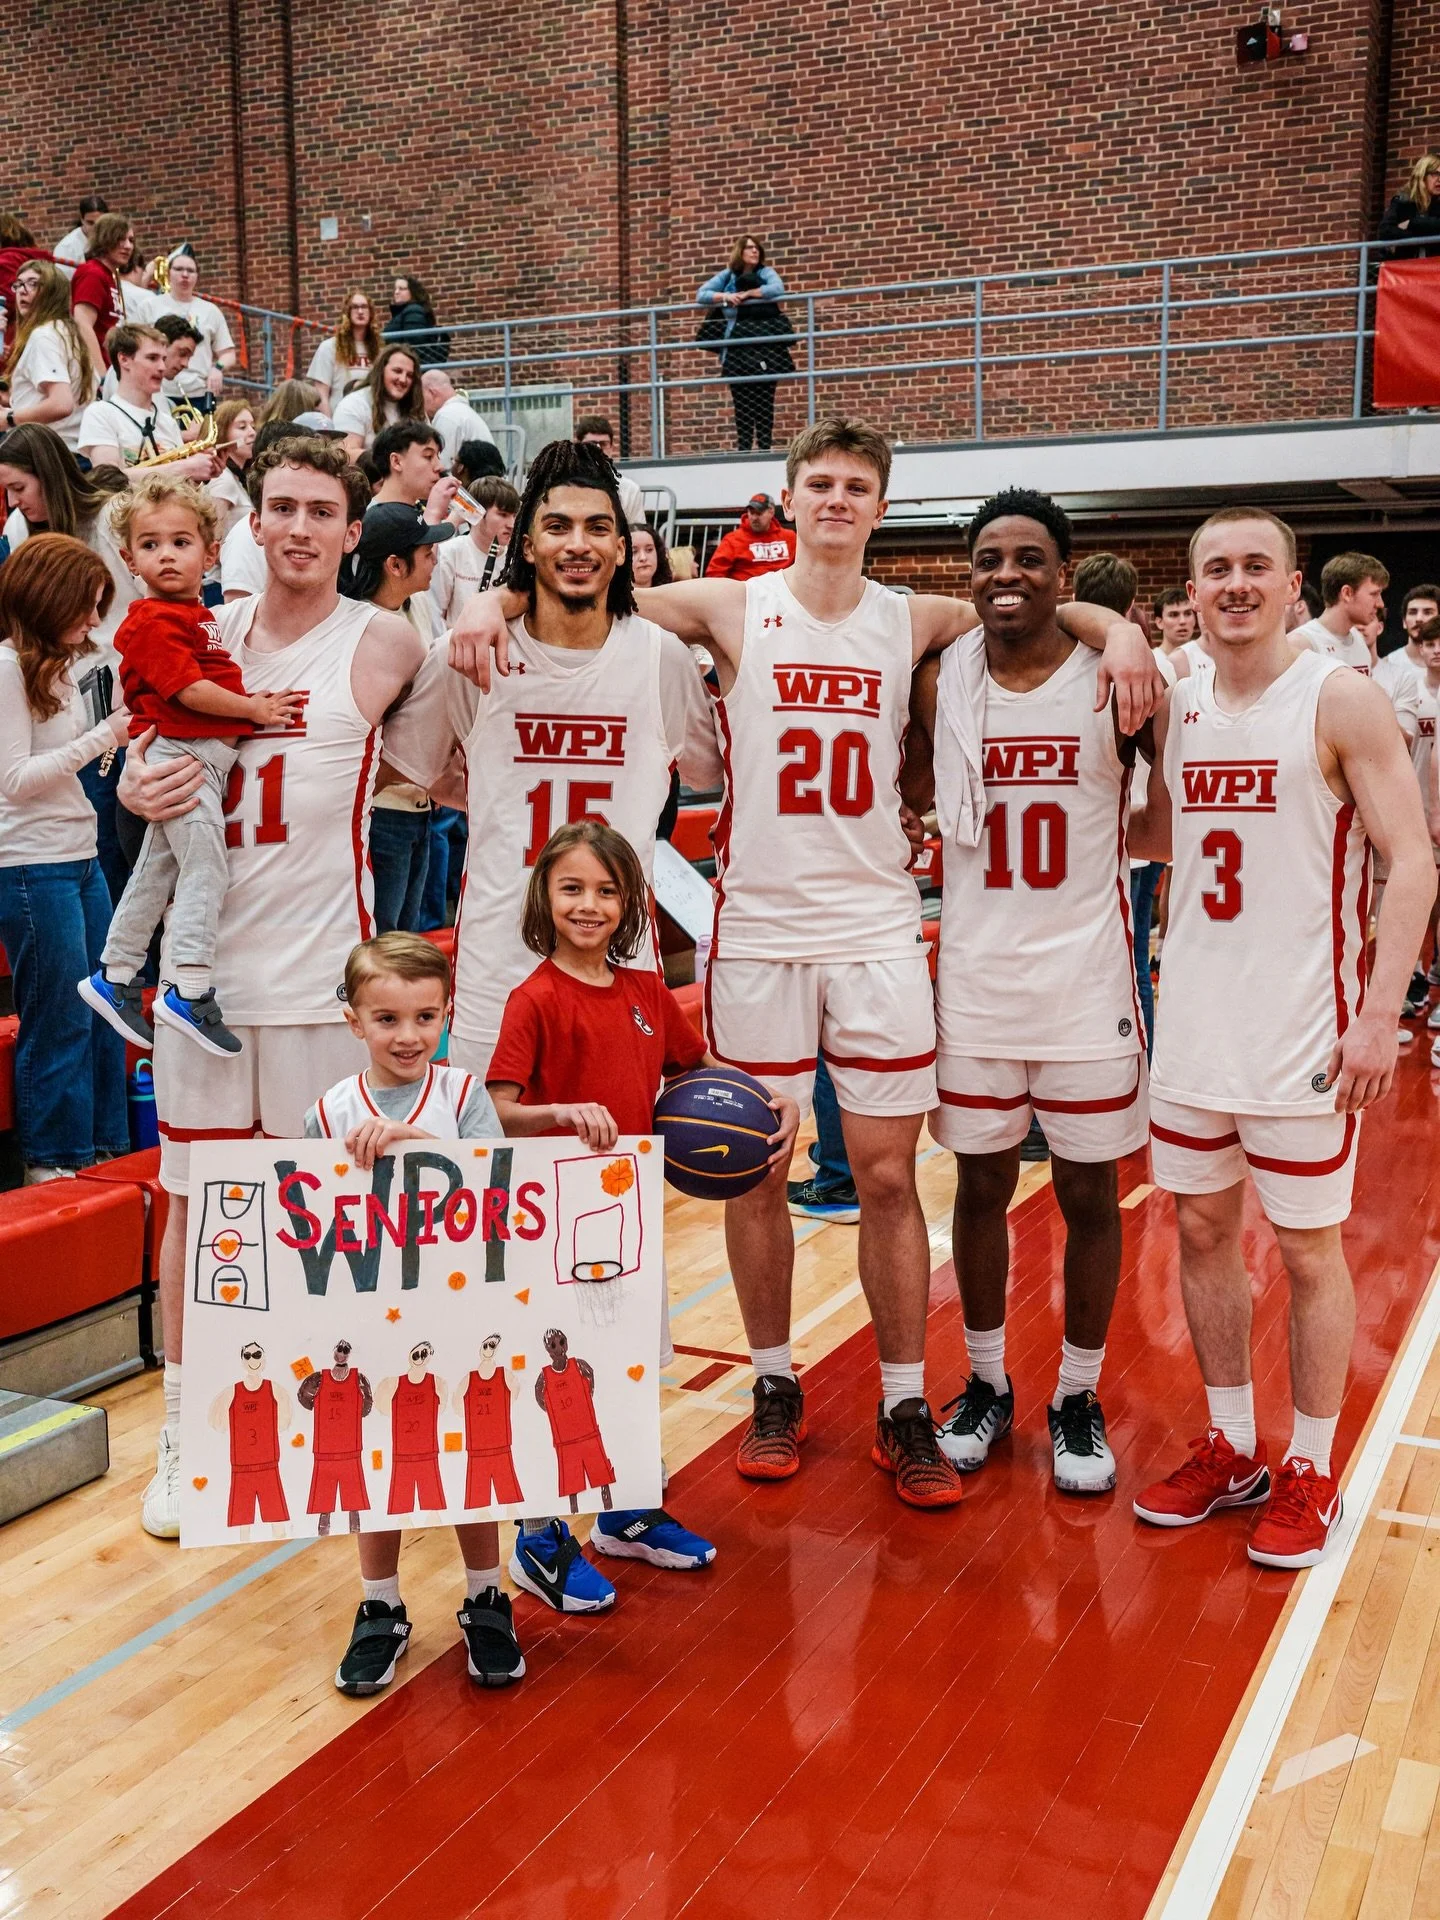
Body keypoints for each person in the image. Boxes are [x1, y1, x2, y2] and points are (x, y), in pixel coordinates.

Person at [447, 416, 1164, 1505]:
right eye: (818, 483)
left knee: (886, 1173)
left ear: (880, 506)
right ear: (787, 499)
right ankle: (774, 1384)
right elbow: (580, 590)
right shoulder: (733, 606)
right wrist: (482, 597)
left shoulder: (912, 616)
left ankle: (903, 1400)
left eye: (856, 486)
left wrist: (1119, 632)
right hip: (761, 931)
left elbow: (1027, 603)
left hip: (876, 926)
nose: (836, 499)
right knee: (754, 1169)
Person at [116, 435, 428, 1539]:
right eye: (280, 506)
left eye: (320, 511)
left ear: (356, 531)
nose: (297, 527)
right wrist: (135, 783)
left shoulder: (385, 639)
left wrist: (481, 616)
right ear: (254, 523)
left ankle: (323, 1419)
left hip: (316, 981)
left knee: (327, 1216)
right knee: (194, 1214)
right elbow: (134, 752)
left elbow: (443, 751)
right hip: (203, 986)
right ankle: (186, 1427)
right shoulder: (199, 628)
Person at [1131, 507, 1435, 1568]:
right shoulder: (1180, 704)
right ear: (1195, 587)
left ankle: (1311, 1462)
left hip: (1306, 1031)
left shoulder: (1339, 697)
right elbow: (1163, 835)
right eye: (1217, 569)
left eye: (1257, 565)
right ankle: (1230, 1443)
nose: (1236, 584)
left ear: (1295, 585)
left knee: (1308, 1252)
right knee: (1203, 1238)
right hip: (1195, 1031)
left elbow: (1415, 860)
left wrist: (1380, 1016)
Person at [902, 506, 1149, 1497]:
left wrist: (1119, 629)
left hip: (1086, 980)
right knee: (979, 1188)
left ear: (1065, 574)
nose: (1007, 575)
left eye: (1029, 560)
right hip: (975, 980)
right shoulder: (940, 683)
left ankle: (1077, 1394)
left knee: (1090, 1193)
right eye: (989, 560)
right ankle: (990, 1381)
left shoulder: (1117, 679)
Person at [488, 822, 744, 1604]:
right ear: (545, 898)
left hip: (629, 1219)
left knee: (628, 1374)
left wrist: (762, 1103)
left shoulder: (643, 993)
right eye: (572, 888)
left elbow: (696, 1067)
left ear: (632, 902)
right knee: (555, 1377)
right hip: (549, 1227)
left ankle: (625, 1514)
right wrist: (560, 1113)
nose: (589, 905)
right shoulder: (532, 999)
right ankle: (537, 1538)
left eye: (606, 891)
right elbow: (497, 1109)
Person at [300, 931, 523, 1692]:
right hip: (367, 1320)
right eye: (388, 1019)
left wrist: (415, 1142)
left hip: (459, 1315)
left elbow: (499, 1192)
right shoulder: (327, 1110)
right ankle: (380, 1606)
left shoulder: (461, 1097)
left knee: (470, 1459)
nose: (409, 1035)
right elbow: (305, 1226)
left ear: (445, 1013)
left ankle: (487, 1594)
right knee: (378, 1467)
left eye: (425, 1017)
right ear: (353, 1021)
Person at [79, 474, 300, 1057]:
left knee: (156, 873)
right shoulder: (151, 620)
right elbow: (190, 690)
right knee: (207, 867)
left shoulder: (195, 613)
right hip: (185, 756)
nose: (166, 555)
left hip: (200, 756)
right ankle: (190, 986)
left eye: (180, 542)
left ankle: (116, 973)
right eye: (150, 545)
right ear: (129, 559)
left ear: (210, 551)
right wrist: (254, 709)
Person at [0, 534, 130, 1181]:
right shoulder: (5, 667)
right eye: (85, 605)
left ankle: (105, 1148)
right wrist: (108, 735)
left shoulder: (62, 665)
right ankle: (53, 1161)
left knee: (103, 1008)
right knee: (60, 1018)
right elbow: (16, 779)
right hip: (30, 866)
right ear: (50, 600)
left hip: (78, 855)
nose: (92, 620)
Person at [0, 425, 136, 900]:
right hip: (60, 692)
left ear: (48, 475)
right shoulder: (20, 527)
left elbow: (130, 608)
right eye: (7, 491)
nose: (14, 501)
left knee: (118, 833)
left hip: (116, 687)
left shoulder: (105, 516)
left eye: (20, 487)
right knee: (95, 824)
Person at [344, 502, 455, 932]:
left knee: (406, 935)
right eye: (426, 551)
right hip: (379, 807)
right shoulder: (358, 629)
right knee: (379, 937)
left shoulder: (418, 608)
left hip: (419, 801)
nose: (435, 557)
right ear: (394, 564)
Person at [697, 238, 792, 453]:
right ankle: (744, 449)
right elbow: (701, 294)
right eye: (749, 247)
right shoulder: (728, 276)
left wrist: (750, 294)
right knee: (742, 404)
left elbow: (777, 288)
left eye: (756, 247)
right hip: (737, 351)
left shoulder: (765, 273)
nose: (754, 251)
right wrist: (726, 296)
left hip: (765, 350)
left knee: (765, 402)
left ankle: (765, 448)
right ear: (740, 251)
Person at [3, 260, 94, 449]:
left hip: (44, 451)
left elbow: (61, 404)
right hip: (70, 447)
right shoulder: (68, 332)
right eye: (18, 284)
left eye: (33, 283)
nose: (22, 290)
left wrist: (9, 418)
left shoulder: (43, 336)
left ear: (53, 292)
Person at [76, 324, 188, 471]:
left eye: (163, 359)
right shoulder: (100, 413)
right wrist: (183, 468)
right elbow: (109, 480)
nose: (162, 367)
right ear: (124, 360)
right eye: (152, 358)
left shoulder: (168, 423)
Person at [428, 475, 519, 626]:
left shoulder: (517, 559)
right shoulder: (450, 552)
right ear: (478, 512)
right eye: (503, 515)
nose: (511, 524)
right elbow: (436, 613)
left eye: (514, 515)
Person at [151, 246, 236, 399]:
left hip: (199, 392)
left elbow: (228, 352)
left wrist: (217, 368)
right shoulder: (150, 306)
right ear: (168, 272)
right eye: (178, 269)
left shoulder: (210, 310)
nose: (185, 275)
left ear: (197, 276)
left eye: (190, 271)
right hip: (160, 390)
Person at [1290, 552, 1388, 674]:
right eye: (1374, 594)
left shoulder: (1358, 639)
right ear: (1347, 593)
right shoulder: (1301, 643)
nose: (1380, 604)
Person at [70, 215, 134, 374]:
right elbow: (82, 323)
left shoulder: (109, 276)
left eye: (131, 240)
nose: (127, 246)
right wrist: (101, 374)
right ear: (105, 239)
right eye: (120, 239)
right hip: (97, 373)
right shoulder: (92, 273)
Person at [333, 343, 425, 453]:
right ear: (381, 370)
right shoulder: (354, 404)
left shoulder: (416, 408)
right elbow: (347, 453)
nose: (403, 379)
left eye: (410, 375)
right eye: (397, 371)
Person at [307, 288, 382, 414]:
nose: (360, 311)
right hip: (339, 416)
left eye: (364, 307)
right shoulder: (329, 347)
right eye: (355, 307)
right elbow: (321, 395)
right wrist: (329, 426)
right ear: (347, 312)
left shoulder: (378, 350)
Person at [370, 419, 454, 520]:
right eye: (428, 456)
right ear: (396, 461)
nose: (440, 467)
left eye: (438, 457)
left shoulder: (415, 509)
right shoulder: (376, 519)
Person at [705, 493, 797, 579]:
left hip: (782, 592)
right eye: (751, 513)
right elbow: (714, 573)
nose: (754, 518)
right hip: (746, 593)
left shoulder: (790, 537)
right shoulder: (732, 539)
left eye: (759, 513)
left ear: (771, 512)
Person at [574, 416, 645, 525]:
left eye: (603, 444)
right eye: (591, 444)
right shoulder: (562, 486)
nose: (598, 449)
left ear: (611, 447)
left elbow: (636, 532)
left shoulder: (629, 490)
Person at [420, 367, 494, 472]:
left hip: (473, 485)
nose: (421, 405)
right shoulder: (462, 411)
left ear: (432, 392)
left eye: (421, 397)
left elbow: (441, 466)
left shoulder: (447, 416)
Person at [208, 399, 257, 540]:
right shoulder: (223, 479)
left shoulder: (236, 476)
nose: (252, 432)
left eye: (253, 426)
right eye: (242, 427)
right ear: (223, 433)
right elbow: (213, 540)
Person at [1379, 154, 1440, 259]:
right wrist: (1425, 230)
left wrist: (1411, 223)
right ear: (1422, 175)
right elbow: (1385, 232)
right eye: (1435, 174)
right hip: (1406, 270)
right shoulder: (1402, 201)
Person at [384, 273, 448, 366]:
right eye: (395, 289)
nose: (396, 292)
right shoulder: (405, 312)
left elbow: (413, 345)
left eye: (402, 289)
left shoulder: (413, 311)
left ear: (412, 292)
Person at [53, 195, 109, 277]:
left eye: (100, 223)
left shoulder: (112, 239)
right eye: (90, 223)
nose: (95, 228)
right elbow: (65, 283)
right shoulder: (66, 247)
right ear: (82, 220)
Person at [1153, 586, 1198, 659]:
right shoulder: (1152, 661)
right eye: (1174, 615)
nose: (1182, 621)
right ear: (1159, 622)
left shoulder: (1208, 659)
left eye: (1187, 613)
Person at [629, 521, 672, 590]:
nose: (643, 557)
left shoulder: (671, 594)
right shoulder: (608, 598)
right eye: (634, 552)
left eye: (649, 550)